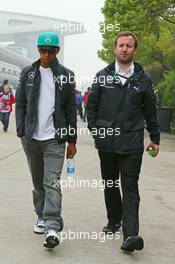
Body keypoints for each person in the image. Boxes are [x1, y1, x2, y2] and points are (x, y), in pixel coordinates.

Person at [87, 31, 160, 253]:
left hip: (132, 143)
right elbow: (91, 107)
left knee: (130, 187)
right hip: (107, 142)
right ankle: (114, 219)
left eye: (129, 46)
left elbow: (150, 111)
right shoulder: (102, 76)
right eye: (121, 45)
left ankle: (131, 235)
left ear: (134, 50)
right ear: (115, 49)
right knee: (110, 183)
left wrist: (155, 138)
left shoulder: (143, 79)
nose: (125, 49)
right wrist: (96, 131)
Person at [15, 31, 77, 249]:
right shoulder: (28, 73)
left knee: (52, 182)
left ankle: (52, 225)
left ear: (57, 51)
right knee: (38, 182)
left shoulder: (66, 75)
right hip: (31, 138)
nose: (46, 55)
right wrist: (21, 130)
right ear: (38, 49)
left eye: (51, 51)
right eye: (42, 50)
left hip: (55, 139)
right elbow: (20, 103)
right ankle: (40, 215)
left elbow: (70, 109)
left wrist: (72, 140)